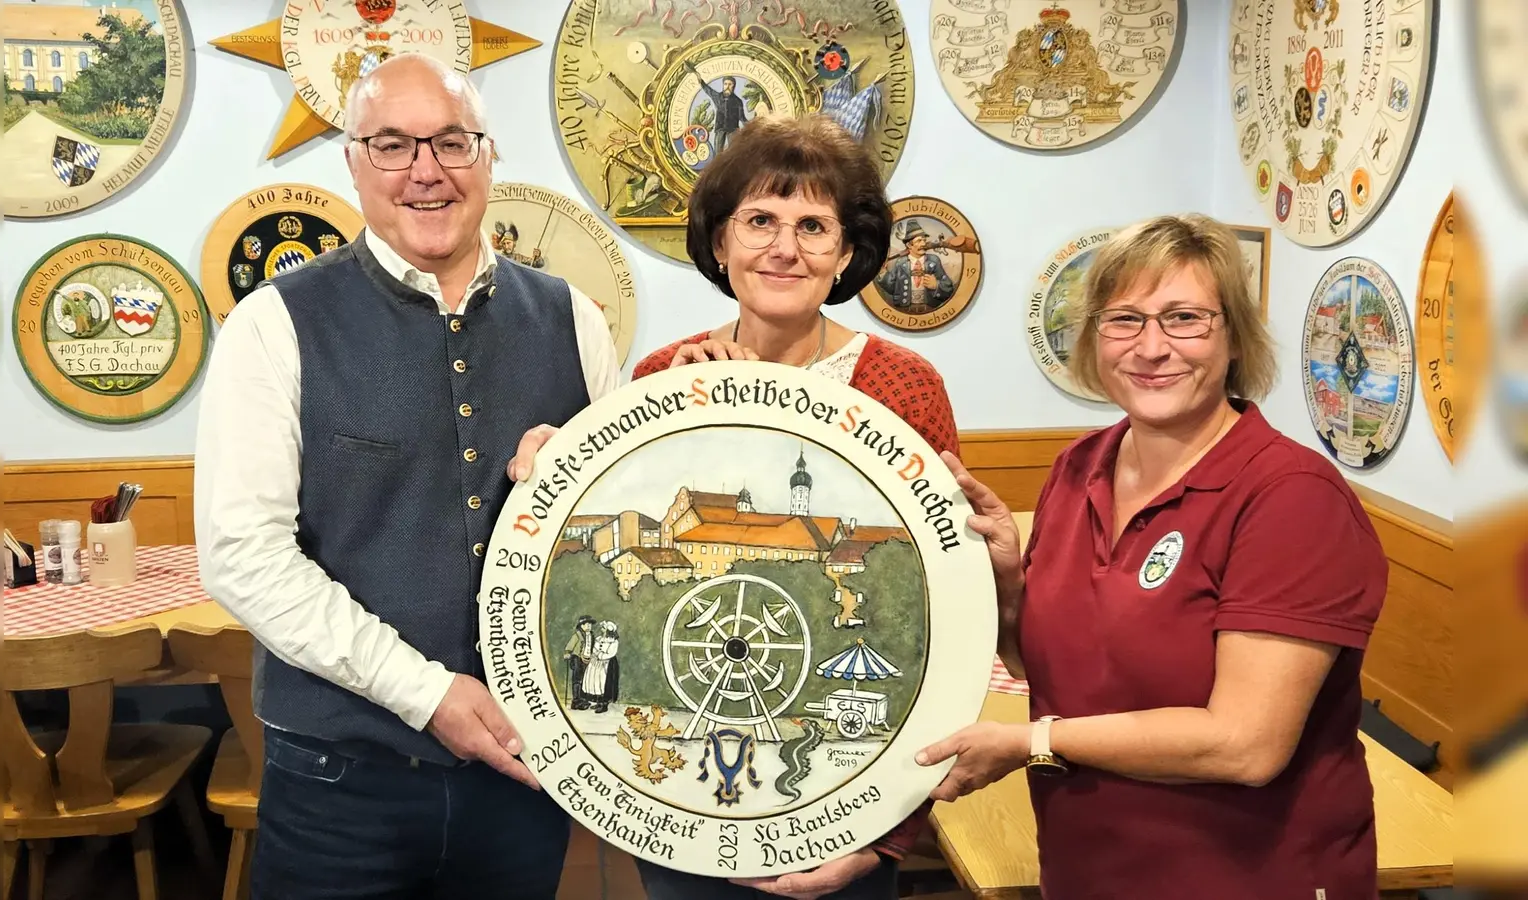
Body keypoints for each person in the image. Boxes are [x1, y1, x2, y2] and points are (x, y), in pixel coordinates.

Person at [194, 54, 618, 900]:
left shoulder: (575, 318)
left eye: (452, 142)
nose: (426, 170)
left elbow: (617, 535)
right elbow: (243, 556)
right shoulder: (272, 326)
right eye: (392, 144)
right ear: (352, 161)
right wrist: (428, 694)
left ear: (489, 156)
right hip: (337, 782)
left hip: (523, 775)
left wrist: (587, 486)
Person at [916, 214, 1386, 899]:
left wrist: (1030, 743)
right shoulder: (1080, 467)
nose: (1152, 347)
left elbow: (1245, 744)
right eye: (1125, 320)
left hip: (1248, 876)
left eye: (1185, 318)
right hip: (1087, 867)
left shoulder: (1291, 498)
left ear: (1233, 339)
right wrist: (1009, 581)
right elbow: (1051, 667)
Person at [630, 112, 956, 900]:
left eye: (814, 225)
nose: (786, 246)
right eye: (761, 221)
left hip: (848, 799)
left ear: (847, 253)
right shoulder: (660, 378)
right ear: (719, 243)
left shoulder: (904, 388)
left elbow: (937, 622)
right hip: (684, 798)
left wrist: (883, 840)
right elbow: (634, 592)